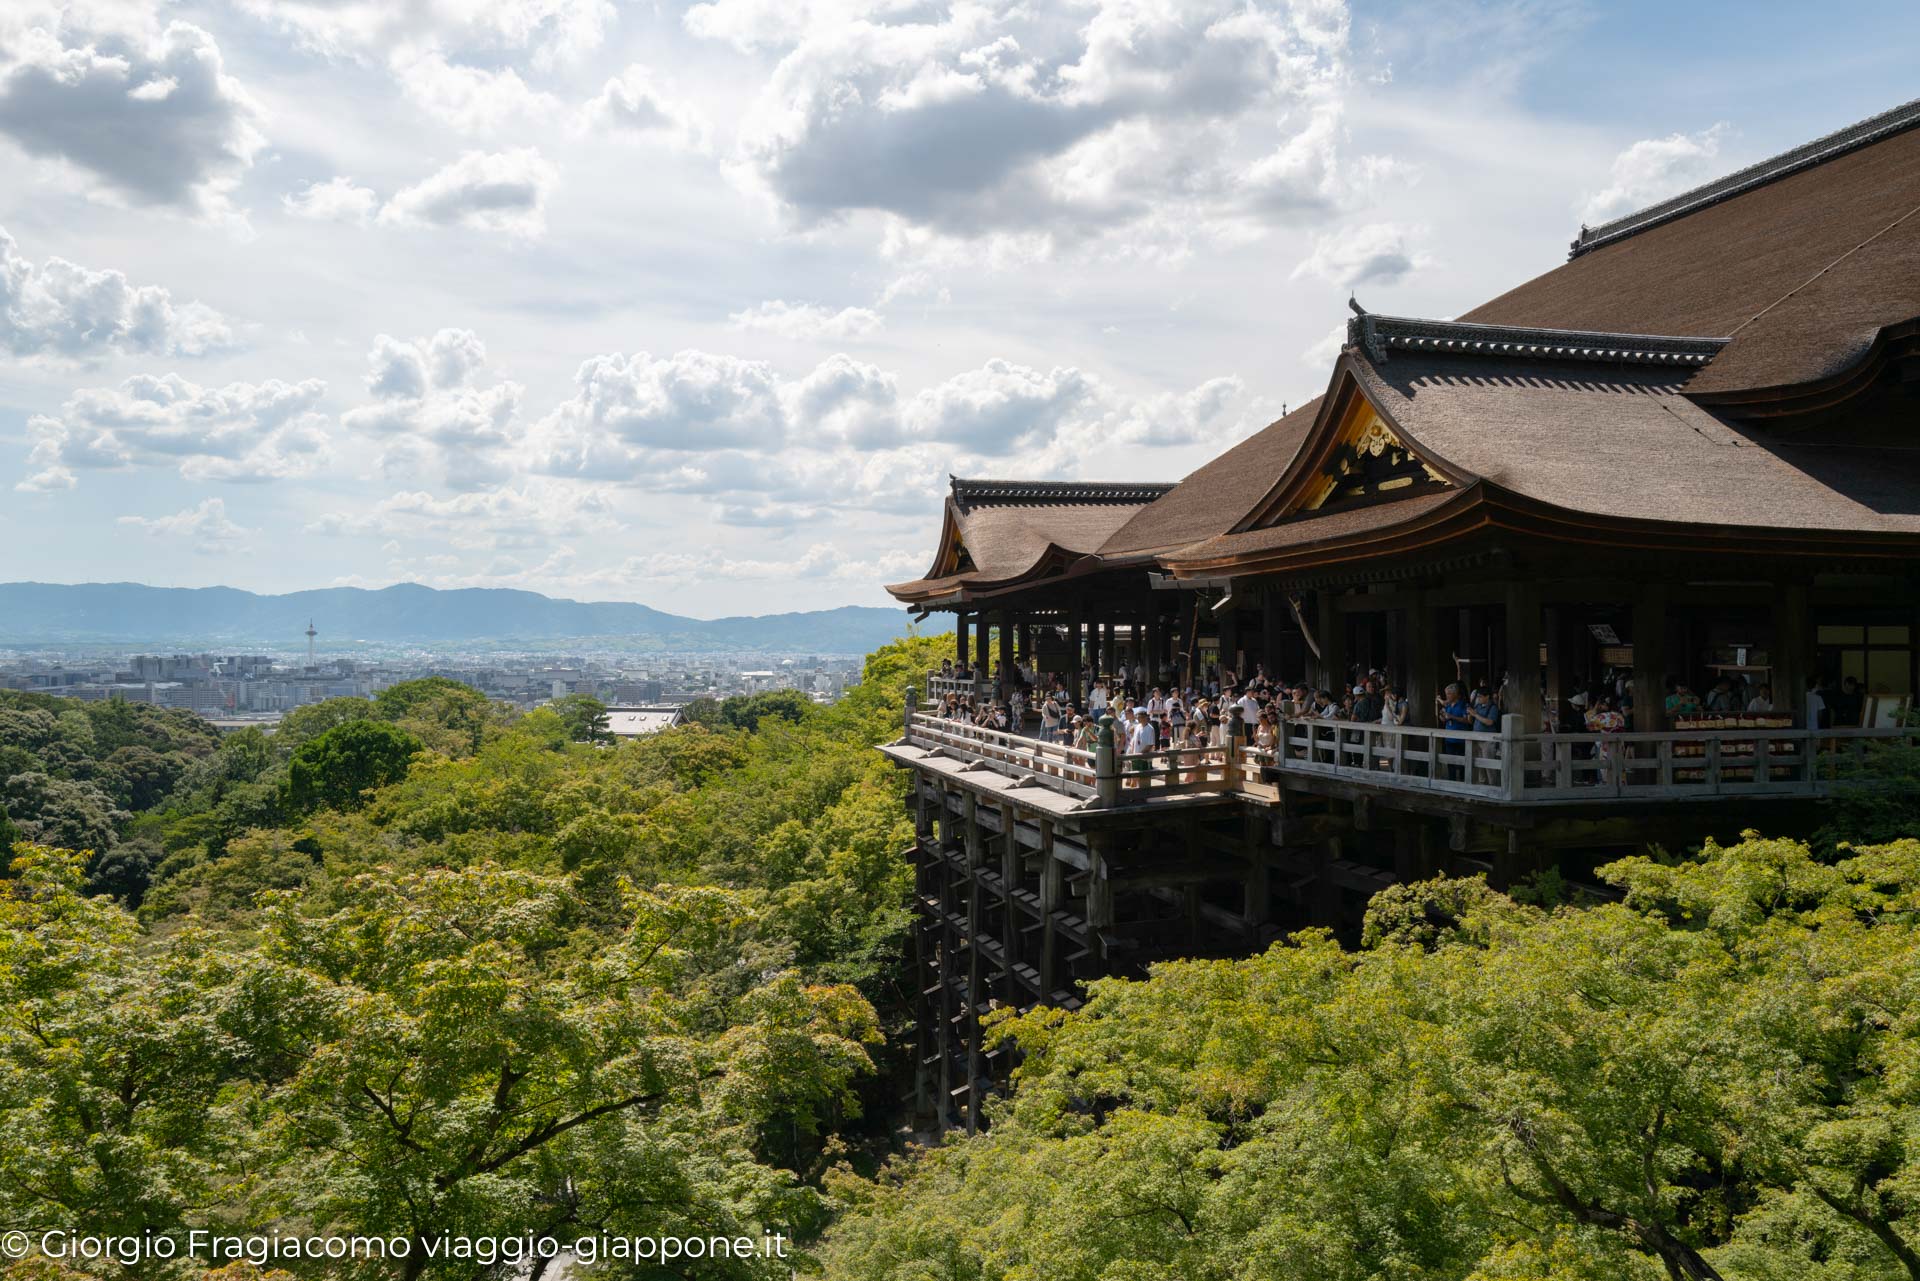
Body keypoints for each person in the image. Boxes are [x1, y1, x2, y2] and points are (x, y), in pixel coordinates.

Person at [1125, 708, 1157, 787]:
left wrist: (1140, 754)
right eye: (1137, 717)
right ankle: (1134, 796)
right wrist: (1132, 753)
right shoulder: (1137, 726)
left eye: (1139, 717)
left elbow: (1150, 744)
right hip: (1135, 756)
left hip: (1144, 757)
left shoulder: (1150, 729)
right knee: (1134, 777)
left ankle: (1143, 796)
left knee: (1143, 778)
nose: (1137, 719)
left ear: (1145, 717)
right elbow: (1133, 741)